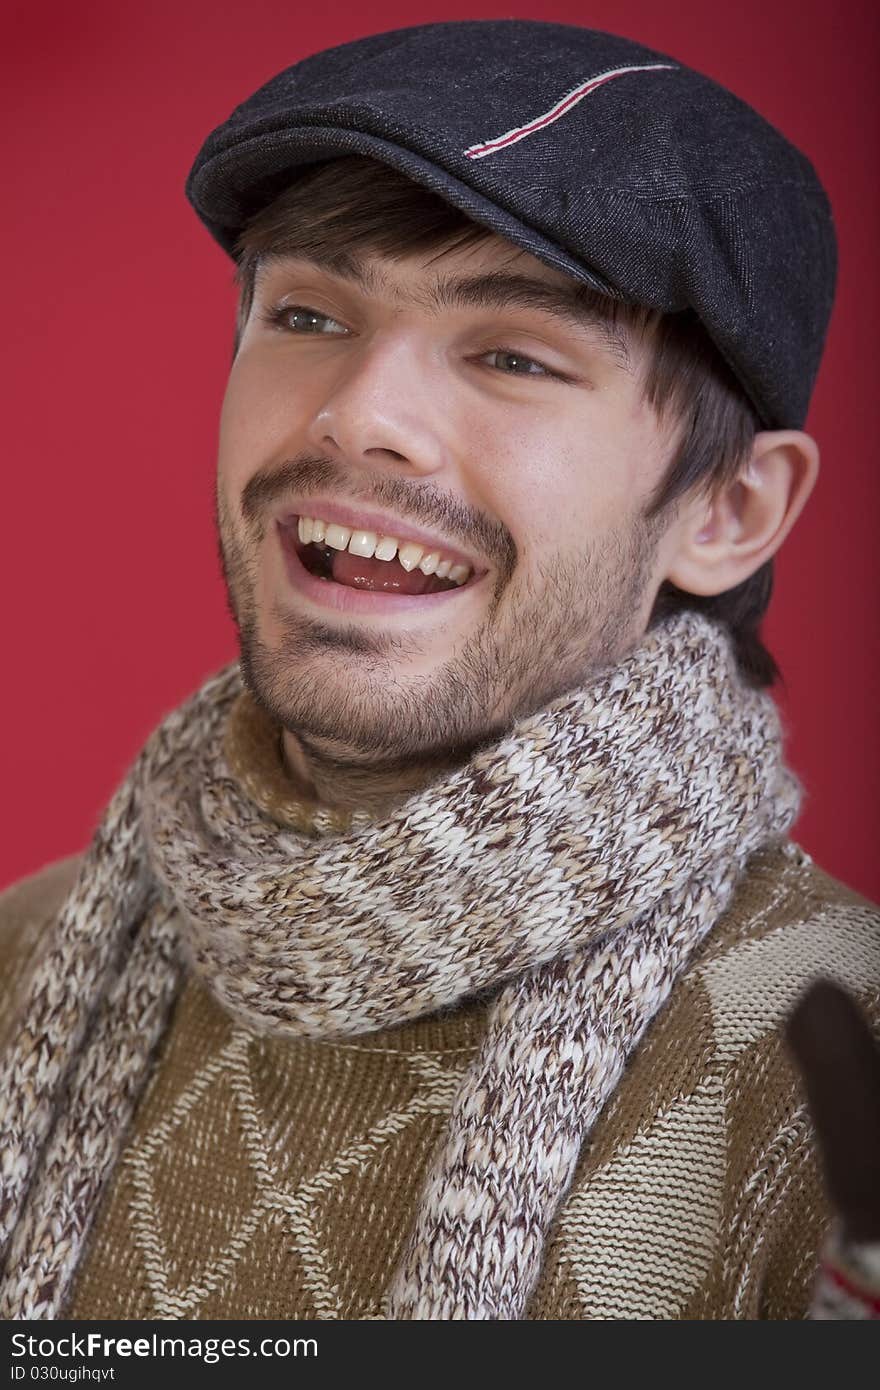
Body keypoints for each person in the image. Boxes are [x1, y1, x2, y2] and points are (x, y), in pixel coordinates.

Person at [0, 19, 878, 1322]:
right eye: (306, 312)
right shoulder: (21, 954)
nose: (359, 413)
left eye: (514, 354)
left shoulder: (841, 1064)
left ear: (729, 510)